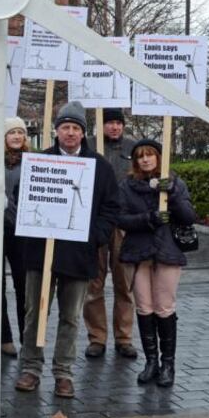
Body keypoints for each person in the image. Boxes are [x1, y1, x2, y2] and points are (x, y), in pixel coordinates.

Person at [15, 101, 119, 399]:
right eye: (65, 127)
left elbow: (111, 208)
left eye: (75, 128)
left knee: (71, 315)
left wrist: (95, 236)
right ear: (56, 130)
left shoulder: (100, 166)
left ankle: (64, 372)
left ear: (83, 132)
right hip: (40, 252)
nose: (70, 133)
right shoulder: (39, 162)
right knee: (35, 311)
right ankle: (31, 367)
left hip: (79, 254)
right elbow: (20, 197)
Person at [117, 139, 197, 387]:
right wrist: (148, 218)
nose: (145, 159)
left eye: (150, 154)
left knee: (164, 306)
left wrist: (171, 194)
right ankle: (151, 361)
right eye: (140, 156)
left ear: (159, 158)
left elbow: (188, 217)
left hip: (167, 251)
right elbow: (120, 218)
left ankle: (168, 364)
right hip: (139, 253)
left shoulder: (175, 183)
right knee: (144, 306)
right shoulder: (127, 186)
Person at [84, 107, 137, 359]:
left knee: (124, 284)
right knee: (93, 283)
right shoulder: (90, 146)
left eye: (118, 123)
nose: (115, 127)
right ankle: (97, 337)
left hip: (123, 223)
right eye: (110, 123)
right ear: (100, 124)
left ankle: (124, 337)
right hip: (94, 223)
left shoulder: (132, 148)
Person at [2, 117, 30, 357]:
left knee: (24, 285)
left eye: (20, 132)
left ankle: (26, 336)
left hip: (22, 232)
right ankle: (3, 337)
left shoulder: (33, 162)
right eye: (12, 132)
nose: (17, 136)